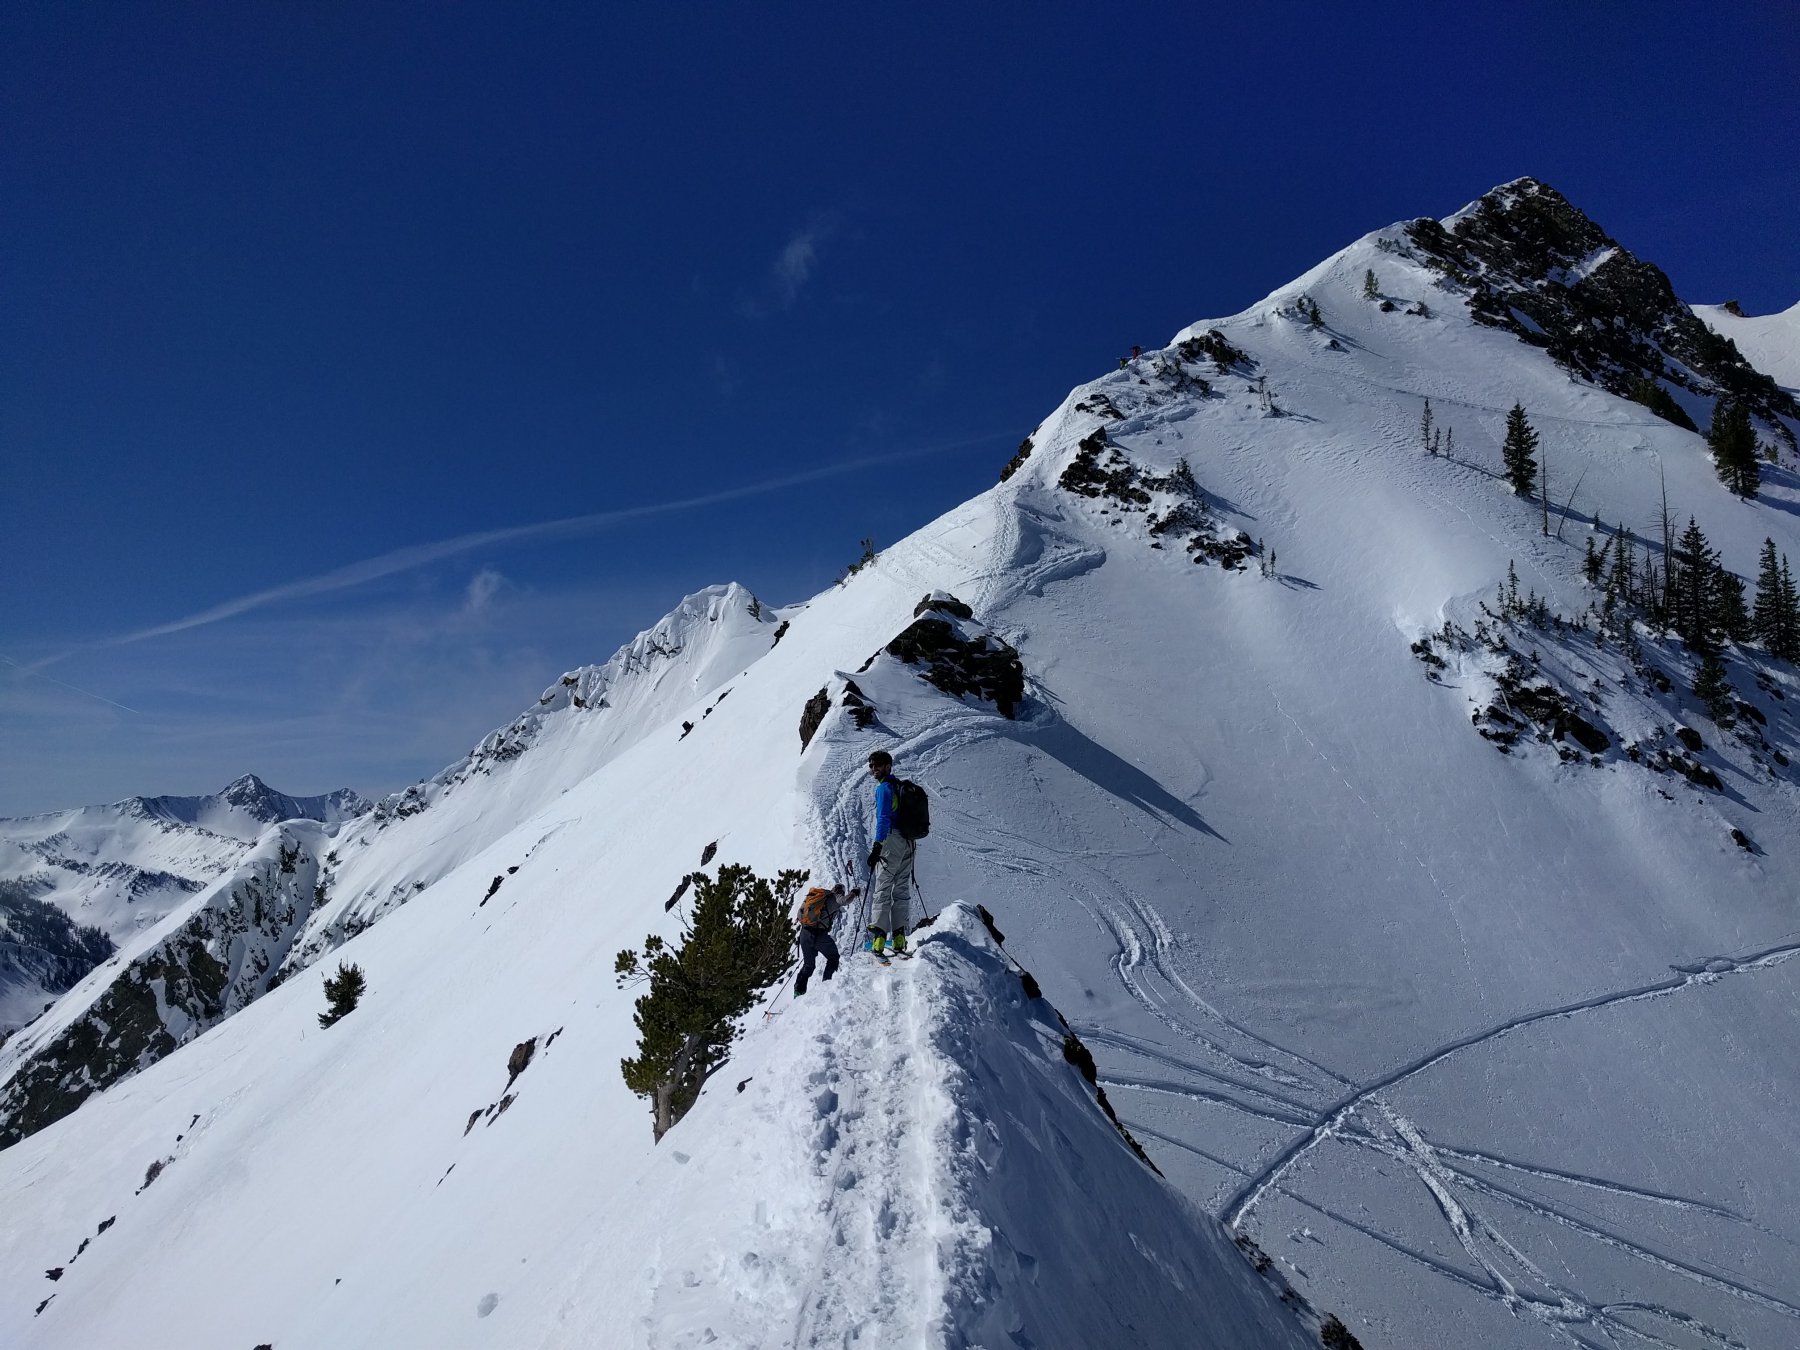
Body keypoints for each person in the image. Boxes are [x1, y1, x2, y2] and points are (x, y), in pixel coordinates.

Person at [864, 750, 915, 956]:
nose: (874, 768)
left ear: (888, 766)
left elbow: (883, 819)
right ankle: (899, 939)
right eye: (871, 765)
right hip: (908, 842)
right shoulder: (901, 787)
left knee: (883, 887)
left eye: (878, 764)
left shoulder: (885, 788)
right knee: (901, 888)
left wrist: (877, 846)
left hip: (891, 841)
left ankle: (879, 940)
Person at [794, 882, 845, 996]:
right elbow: (844, 901)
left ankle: (798, 992)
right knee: (833, 957)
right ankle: (826, 986)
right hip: (819, 935)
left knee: (808, 965)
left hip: (804, 933)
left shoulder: (818, 898)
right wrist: (855, 893)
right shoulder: (835, 899)